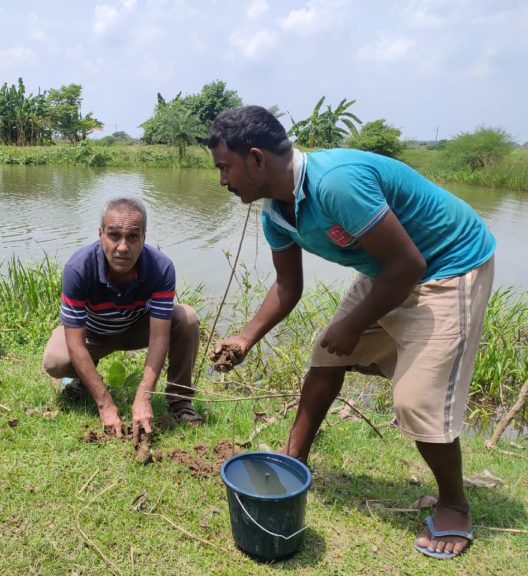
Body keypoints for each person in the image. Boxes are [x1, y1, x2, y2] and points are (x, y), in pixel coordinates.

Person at [206, 105, 495, 559]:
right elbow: (287, 287)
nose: (222, 180)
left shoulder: (335, 183)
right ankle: (292, 462)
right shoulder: (275, 214)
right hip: (388, 266)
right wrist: (245, 338)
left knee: (417, 401)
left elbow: (411, 265)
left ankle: (455, 505)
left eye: (225, 167)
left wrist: (354, 324)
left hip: (447, 264)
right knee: (327, 357)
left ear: (257, 159)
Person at [42, 197, 202, 439]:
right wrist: (106, 404)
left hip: (138, 328)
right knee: (55, 360)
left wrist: (143, 397)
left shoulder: (161, 268)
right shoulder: (78, 268)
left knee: (186, 317)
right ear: (101, 235)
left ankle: (180, 401)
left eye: (133, 236)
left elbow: (159, 337)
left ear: (144, 237)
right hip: (93, 334)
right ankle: (85, 382)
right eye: (114, 235)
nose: (123, 247)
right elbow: (75, 343)